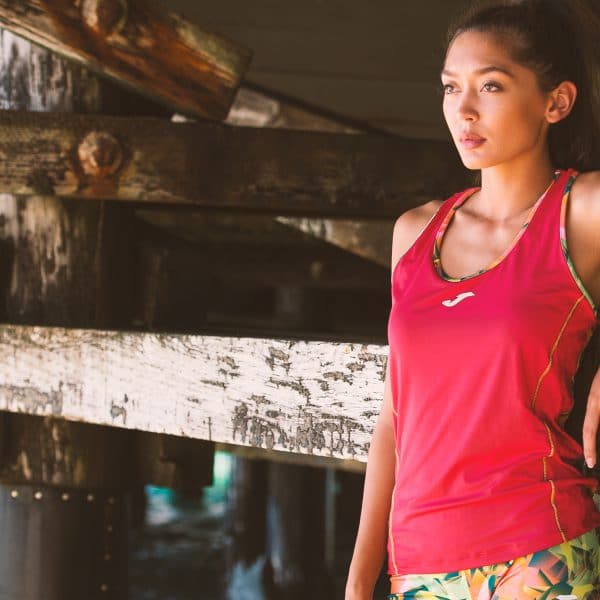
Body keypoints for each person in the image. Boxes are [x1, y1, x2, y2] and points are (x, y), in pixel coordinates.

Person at [345, 0, 600, 598]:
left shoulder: (581, 211)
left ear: (556, 102)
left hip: (539, 548)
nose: (463, 109)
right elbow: (394, 418)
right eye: (450, 87)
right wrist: (360, 578)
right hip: (420, 561)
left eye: (490, 85)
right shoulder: (414, 232)